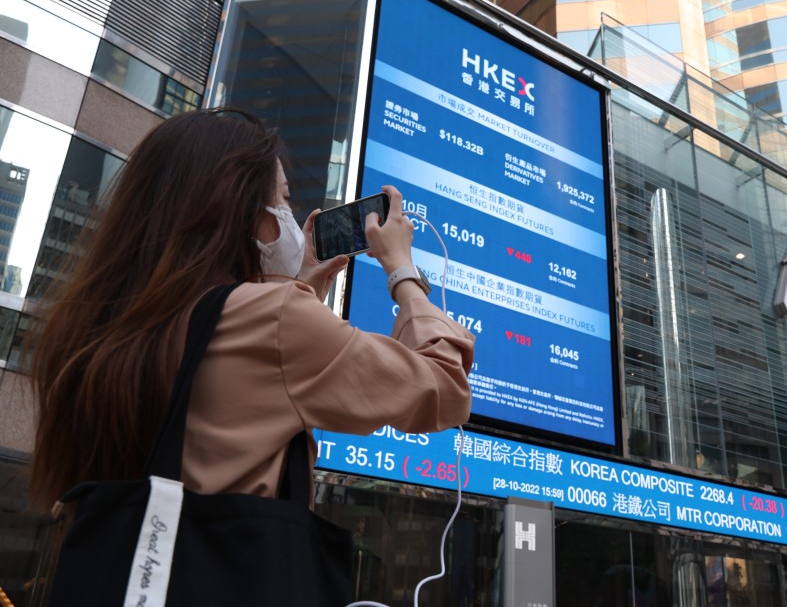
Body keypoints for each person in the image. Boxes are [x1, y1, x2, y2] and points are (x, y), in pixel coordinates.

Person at [27, 108, 474, 509]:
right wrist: (401, 270)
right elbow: (444, 388)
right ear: (242, 210)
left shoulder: (104, 323)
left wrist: (300, 287)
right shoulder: (276, 318)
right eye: (283, 198)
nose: (289, 214)